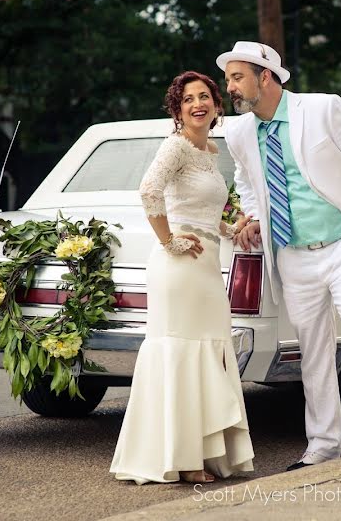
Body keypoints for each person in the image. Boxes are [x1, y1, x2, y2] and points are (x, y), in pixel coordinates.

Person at [217, 41, 341, 471]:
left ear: (266, 76)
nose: (231, 87)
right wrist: (255, 217)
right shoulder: (240, 131)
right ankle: (322, 443)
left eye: (237, 77)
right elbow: (247, 180)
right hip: (293, 256)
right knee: (313, 351)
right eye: (228, 80)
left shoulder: (323, 109)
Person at [110, 71, 254, 484]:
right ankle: (182, 456)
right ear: (178, 109)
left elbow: (208, 212)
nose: (198, 103)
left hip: (207, 265)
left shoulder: (209, 150)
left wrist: (233, 225)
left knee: (208, 352)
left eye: (205, 96)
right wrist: (169, 240)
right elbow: (149, 191)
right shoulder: (175, 146)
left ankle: (207, 452)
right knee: (182, 353)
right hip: (179, 268)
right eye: (189, 98)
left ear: (216, 104)